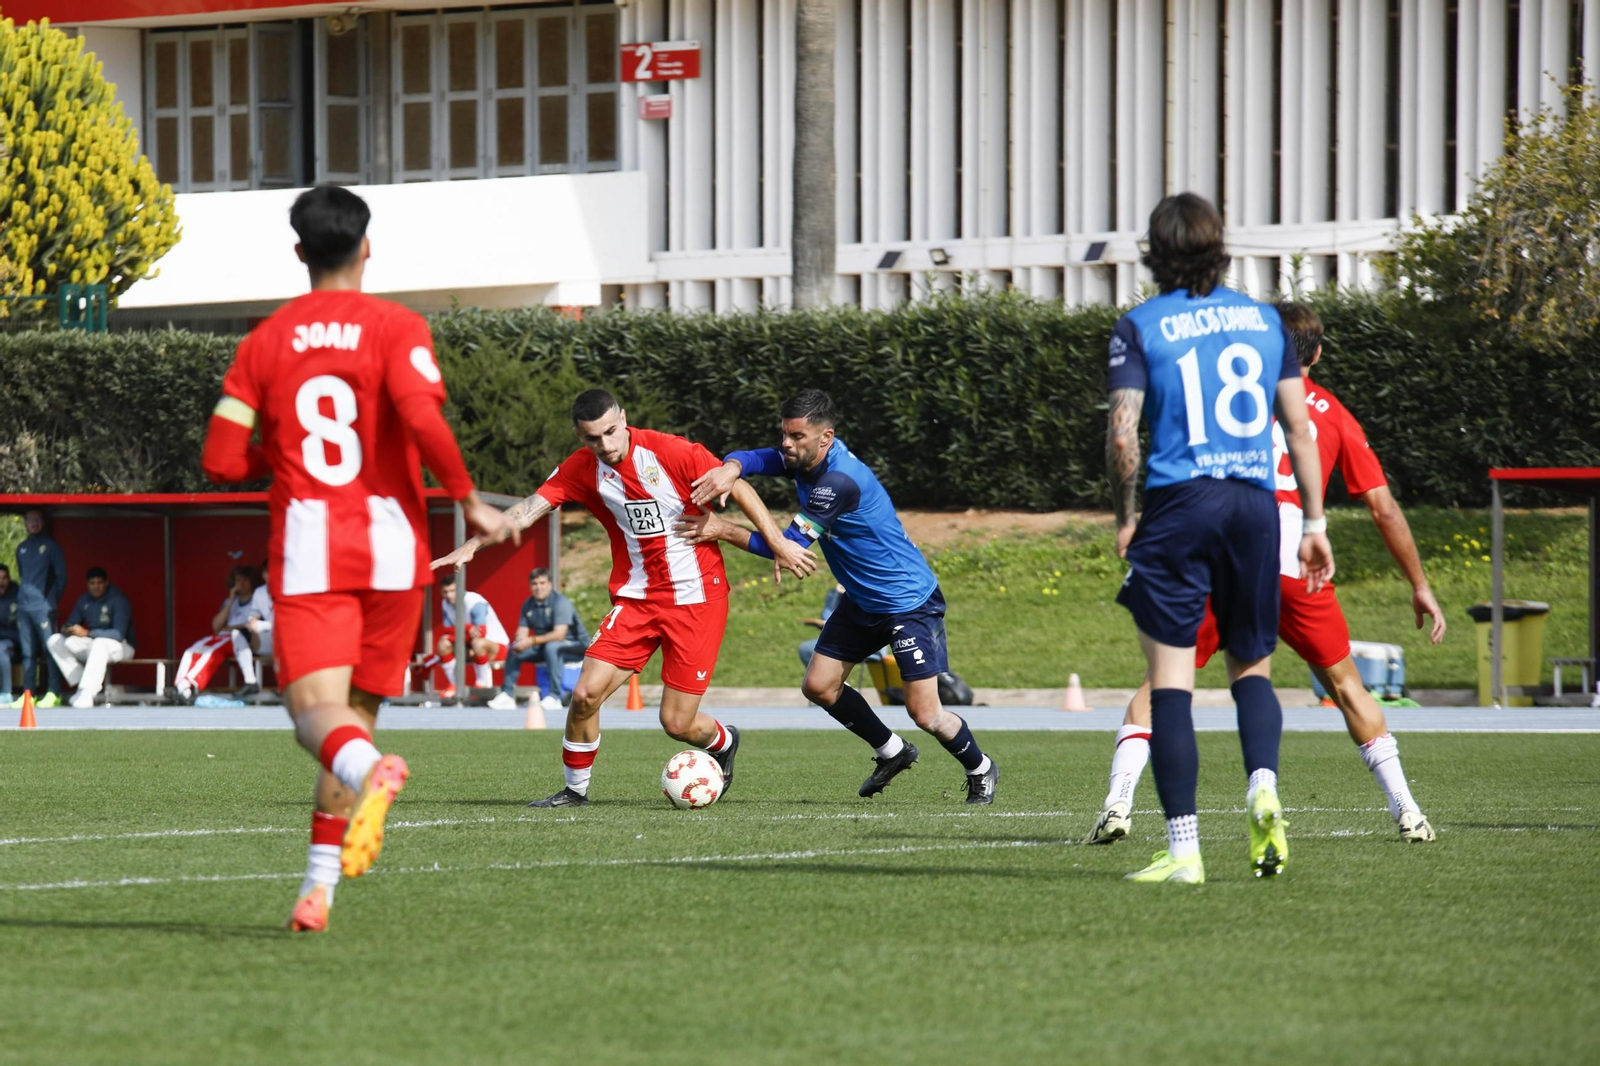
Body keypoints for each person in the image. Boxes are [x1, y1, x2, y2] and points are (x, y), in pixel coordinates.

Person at [200, 184, 511, 933]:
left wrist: (271, 456)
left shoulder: (265, 341)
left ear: (300, 252)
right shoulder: (397, 326)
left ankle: (369, 777)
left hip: (312, 546)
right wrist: (467, 498)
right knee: (352, 721)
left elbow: (218, 458)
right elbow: (419, 415)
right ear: (367, 247)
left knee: (313, 713)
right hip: (396, 551)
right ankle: (318, 890)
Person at [1087, 301, 1443, 847]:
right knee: (1347, 686)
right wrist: (1419, 585)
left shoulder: (1233, 399)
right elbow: (1383, 508)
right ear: (1318, 354)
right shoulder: (1332, 413)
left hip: (1223, 552)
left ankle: (1118, 804)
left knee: (1162, 682)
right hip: (1296, 561)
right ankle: (1408, 811)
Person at [1103, 193, 1334, 884]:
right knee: (1251, 669)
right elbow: (1299, 431)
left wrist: (1125, 514)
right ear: (1219, 246)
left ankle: (1184, 852)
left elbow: (1122, 433)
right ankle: (1263, 785)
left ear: (1154, 251)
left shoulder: (1140, 325)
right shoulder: (1266, 321)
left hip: (1181, 503)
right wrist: (1315, 525)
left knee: (1171, 682)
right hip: (1256, 507)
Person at [433, 388, 814, 807]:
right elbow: (528, 509)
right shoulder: (581, 469)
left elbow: (737, 486)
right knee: (584, 696)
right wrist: (473, 545)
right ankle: (575, 791)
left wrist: (777, 543)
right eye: (593, 438)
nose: (606, 445)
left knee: (676, 723)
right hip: (636, 600)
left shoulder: (671, 451)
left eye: (612, 432)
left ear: (624, 418)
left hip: (697, 598)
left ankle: (724, 740)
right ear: (581, 437)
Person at [683, 389, 1002, 804]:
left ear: (825, 437)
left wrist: (720, 529)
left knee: (925, 713)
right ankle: (892, 751)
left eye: (796, 436)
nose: (786, 444)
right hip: (863, 601)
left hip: (907, 603)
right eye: (785, 434)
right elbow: (753, 456)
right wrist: (731, 467)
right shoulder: (803, 456)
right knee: (819, 686)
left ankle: (980, 767)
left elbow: (786, 545)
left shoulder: (837, 483)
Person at [489, 567, 589, 712]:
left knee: (552, 647)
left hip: (575, 645)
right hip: (545, 645)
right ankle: (507, 695)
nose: (538, 587)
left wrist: (530, 641)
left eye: (542, 583)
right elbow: (522, 629)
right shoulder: (528, 604)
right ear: (530, 586)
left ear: (550, 584)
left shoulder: (560, 602)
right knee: (515, 649)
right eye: (535, 584)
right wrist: (520, 640)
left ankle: (554, 697)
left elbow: (559, 634)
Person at [170, 566, 270, 702]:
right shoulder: (230, 601)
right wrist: (231, 599)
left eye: (245, 580)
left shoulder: (257, 598)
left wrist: (227, 628)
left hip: (241, 641)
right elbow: (216, 627)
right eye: (238, 580)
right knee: (194, 649)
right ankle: (180, 687)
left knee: (209, 652)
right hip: (222, 638)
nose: (241, 583)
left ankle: (186, 685)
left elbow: (247, 627)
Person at [47, 566, 137, 708]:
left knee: (99, 643)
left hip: (123, 646)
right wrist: (67, 629)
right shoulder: (84, 600)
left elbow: (119, 634)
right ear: (87, 584)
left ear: (106, 582)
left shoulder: (118, 599)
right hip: (95, 644)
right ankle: (81, 685)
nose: (96, 587)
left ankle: (88, 692)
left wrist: (87, 633)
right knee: (54, 640)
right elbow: (72, 623)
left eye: (99, 583)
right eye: (92, 583)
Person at [10, 508, 67, 708]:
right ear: (25, 522)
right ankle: (28, 694)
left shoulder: (52, 546)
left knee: (49, 649)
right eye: (30, 520)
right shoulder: (21, 548)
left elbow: (62, 577)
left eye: (37, 520)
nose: (34, 523)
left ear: (43, 522)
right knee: (27, 652)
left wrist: (49, 601)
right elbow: (23, 576)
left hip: (43, 608)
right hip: (24, 607)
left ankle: (54, 692)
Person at [432, 569, 510, 700]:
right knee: (443, 642)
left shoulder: (475, 602)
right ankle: (455, 685)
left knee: (477, 643)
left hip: (497, 647)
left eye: (452, 591)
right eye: (445, 592)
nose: (449, 595)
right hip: (470, 647)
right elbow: (447, 629)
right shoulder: (445, 603)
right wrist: (467, 628)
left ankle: (481, 684)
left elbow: (481, 634)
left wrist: (458, 632)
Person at [0, 564, 18, 705]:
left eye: (5, 578)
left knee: (1, 648)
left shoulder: (17, 594)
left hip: (14, 642)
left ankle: (6, 693)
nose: (1, 582)